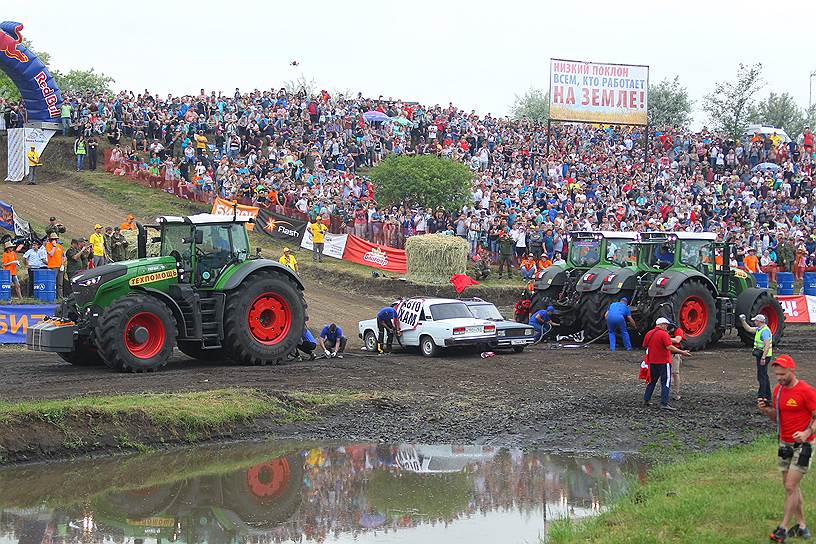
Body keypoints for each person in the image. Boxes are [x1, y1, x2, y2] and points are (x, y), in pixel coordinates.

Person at [757, 355, 816, 542]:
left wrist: (807, 433)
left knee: (791, 485)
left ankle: (782, 527)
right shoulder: (778, 391)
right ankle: (802, 526)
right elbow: (777, 418)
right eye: (777, 375)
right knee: (791, 487)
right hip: (784, 444)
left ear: (792, 371)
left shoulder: (806, 391)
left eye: (783, 374)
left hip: (803, 445)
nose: (779, 378)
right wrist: (766, 411)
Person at [642, 317, 691, 410]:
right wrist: (682, 352)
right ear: (662, 324)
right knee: (665, 382)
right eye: (666, 325)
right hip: (664, 361)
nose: (667, 327)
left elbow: (645, 345)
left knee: (652, 381)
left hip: (652, 361)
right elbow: (669, 347)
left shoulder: (649, 333)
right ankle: (664, 403)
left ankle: (646, 399)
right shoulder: (664, 334)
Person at [739, 313, 774, 401]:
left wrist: (763, 358)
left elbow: (766, 346)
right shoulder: (760, 329)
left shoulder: (765, 331)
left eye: (755, 320)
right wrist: (743, 321)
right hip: (762, 355)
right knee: (763, 375)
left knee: (762, 376)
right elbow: (749, 329)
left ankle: (762, 396)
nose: (754, 322)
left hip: (764, 356)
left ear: (760, 321)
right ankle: (766, 396)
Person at [668, 323, 685, 401]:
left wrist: (664, 338)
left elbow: (677, 340)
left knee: (675, 373)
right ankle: (666, 391)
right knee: (665, 373)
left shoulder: (678, 331)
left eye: (669, 330)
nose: (668, 331)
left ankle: (677, 392)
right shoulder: (664, 331)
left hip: (675, 354)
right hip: (666, 353)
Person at [45, 232, 65, 298]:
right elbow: (51, 254)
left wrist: (62, 264)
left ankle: (60, 297)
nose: (54, 240)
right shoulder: (48, 245)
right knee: (52, 282)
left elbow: (63, 256)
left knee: (60, 283)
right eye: (53, 239)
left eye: (55, 239)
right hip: (52, 266)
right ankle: (52, 296)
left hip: (60, 267)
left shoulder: (60, 246)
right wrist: (54, 246)